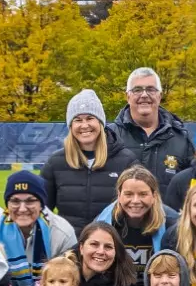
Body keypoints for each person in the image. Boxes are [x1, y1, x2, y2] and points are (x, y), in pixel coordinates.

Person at [41, 89, 138, 232]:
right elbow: (40, 209)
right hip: (70, 249)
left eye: (90, 118)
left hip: (112, 248)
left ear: (100, 122)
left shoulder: (126, 161)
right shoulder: (55, 163)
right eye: (78, 120)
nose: (84, 125)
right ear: (71, 126)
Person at [0, 170, 78, 286]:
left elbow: (69, 282)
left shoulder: (62, 232)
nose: (22, 208)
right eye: (15, 201)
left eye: (30, 201)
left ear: (41, 204)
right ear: (7, 204)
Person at [110, 67, 193, 191]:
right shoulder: (110, 136)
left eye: (151, 89)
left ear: (159, 96)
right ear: (128, 96)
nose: (144, 95)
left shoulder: (181, 140)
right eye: (137, 90)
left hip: (167, 211)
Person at [96, 165, 179, 271]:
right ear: (119, 195)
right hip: (114, 285)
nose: (135, 201)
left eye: (143, 194)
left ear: (154, 196)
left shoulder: (171, 223)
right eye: (128, 194)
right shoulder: (104, 222)